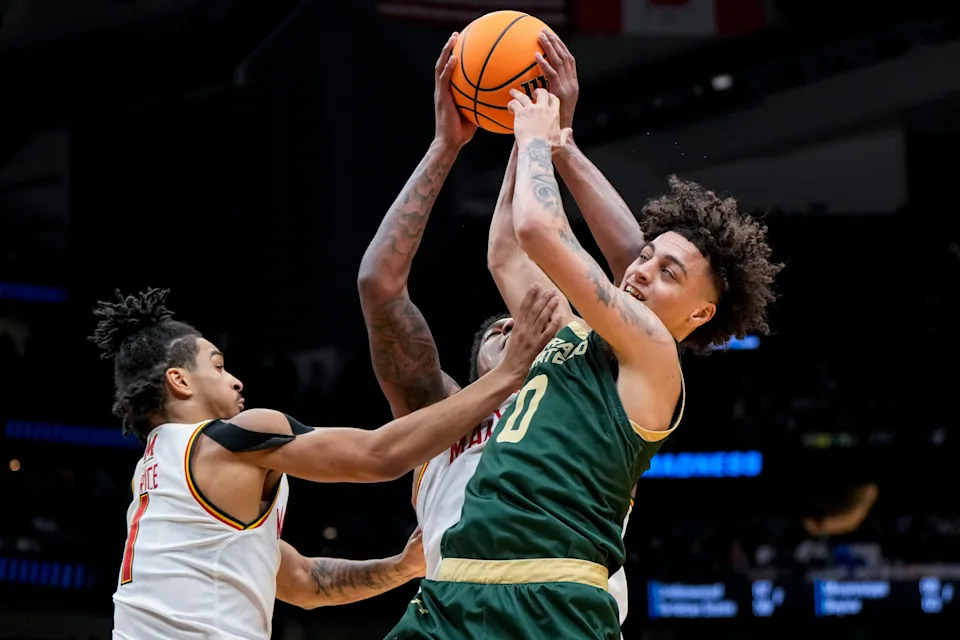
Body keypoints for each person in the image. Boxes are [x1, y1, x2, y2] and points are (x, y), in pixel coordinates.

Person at [386, 47, 781, 640]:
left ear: (701, 313)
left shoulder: (655, 357)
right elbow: (508, 252)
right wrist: (533, 127)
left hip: (551, 599)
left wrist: (542, 140)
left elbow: (539, 229)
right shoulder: (570, 332)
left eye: (668, 272)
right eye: (646, 256)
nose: (643, 270)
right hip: (453, 590)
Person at [90, 284, 560, 640]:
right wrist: (508, 374)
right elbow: (380, 455)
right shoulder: (236, 436)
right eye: (216, 366)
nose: (234, 380)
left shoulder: (156, 475)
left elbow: (303, 582)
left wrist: (402, 566)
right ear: (179, 381)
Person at [358, 32, 637, 628]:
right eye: (499, 327)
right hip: (455, 613)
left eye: (522, 318)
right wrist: (445, 146)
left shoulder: (594, 389)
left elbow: (627, 273)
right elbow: (380, 286)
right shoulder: (439, 416)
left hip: (564, 613)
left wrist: (543, 131)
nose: (515, 321)